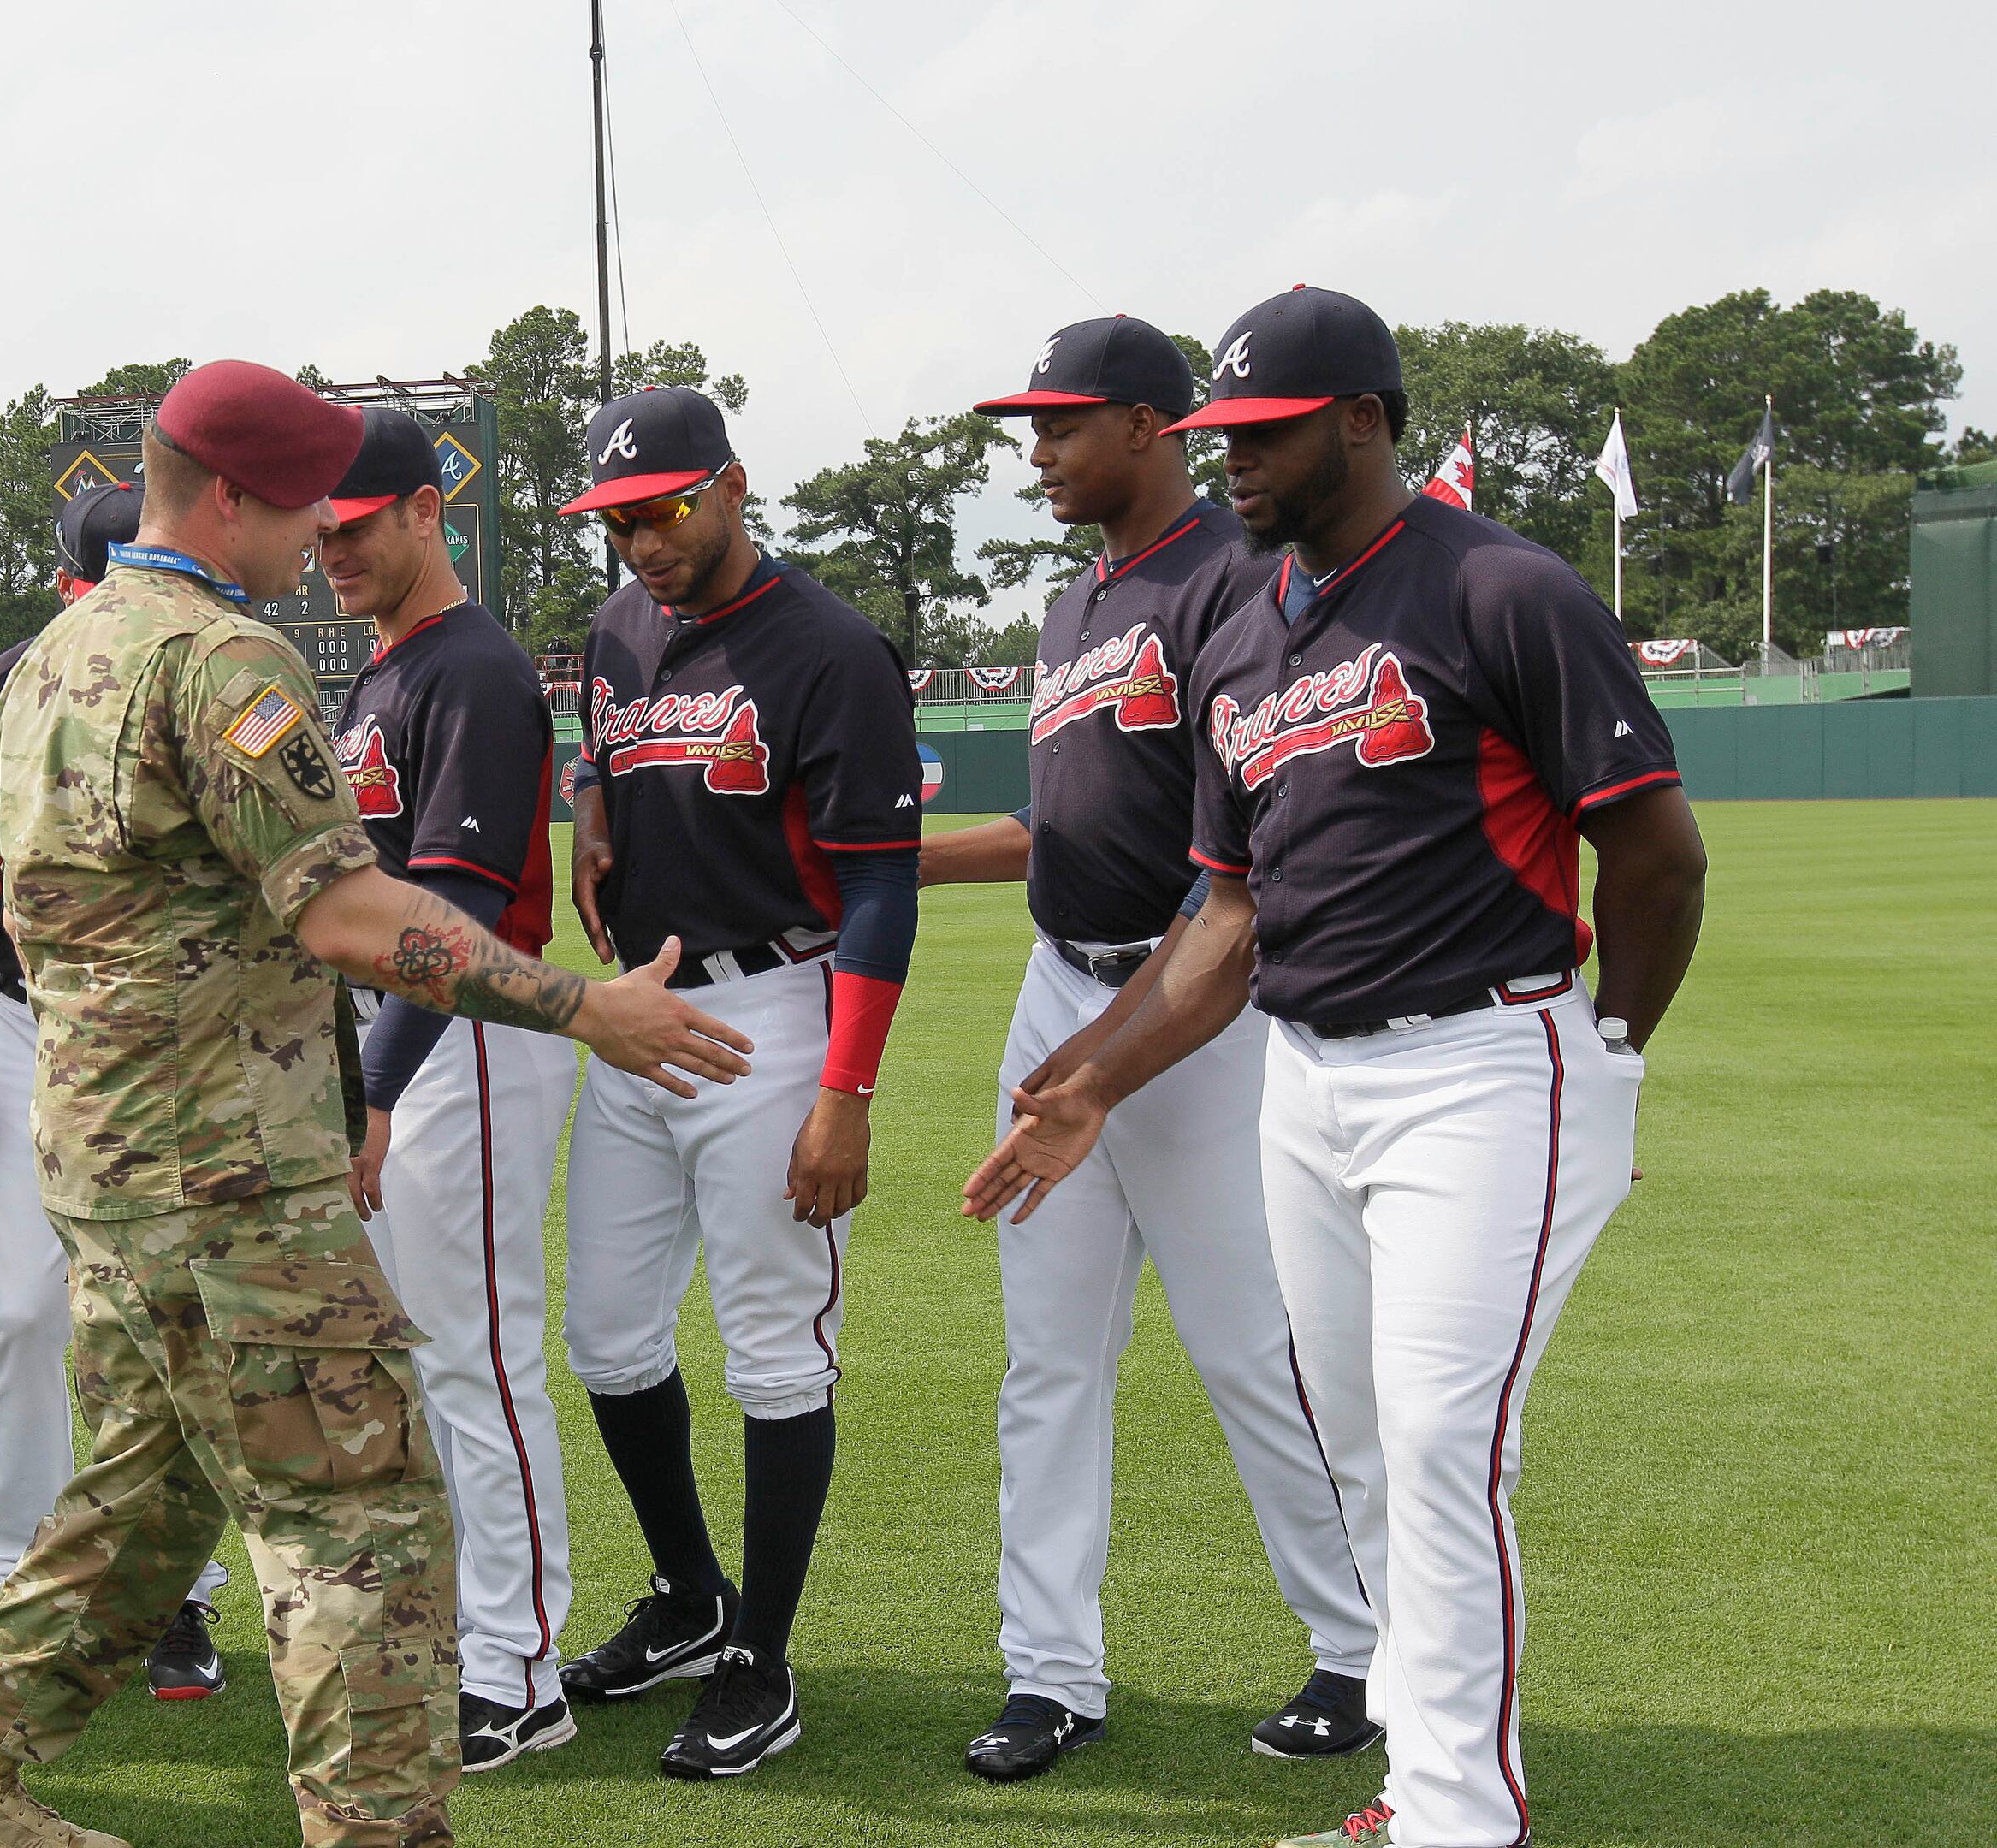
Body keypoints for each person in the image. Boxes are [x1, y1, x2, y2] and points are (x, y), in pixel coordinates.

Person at [0, 359, 752, 1848]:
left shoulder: (48, 660)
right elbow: (352, 917)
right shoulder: (224, 662)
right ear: (229, 497)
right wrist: (584, 1005)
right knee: (366, 1518)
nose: (315, 541)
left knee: (149, 1507)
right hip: (229, 1178)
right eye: (300, 508)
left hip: (103, 1165)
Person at [964, 287, 1707, 1848]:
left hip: (1485, 1057)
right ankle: (1416, 1784)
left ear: (1363, 421)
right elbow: (1229, 915)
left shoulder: (1499, 586)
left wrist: (1612, 1053)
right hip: (1303, 1072)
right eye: (1222, 431)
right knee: (1364, 1442)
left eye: (1266, 431)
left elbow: (1654, 851)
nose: (1233, 457)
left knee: (1440, 1443)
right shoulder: (1250, 619)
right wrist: (1093, 1079)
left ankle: (1460, 1818)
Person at [926, 317, 1378, 1782]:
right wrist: (909, 863)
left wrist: (1120, 1051)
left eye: (1061, 427)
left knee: (1258, 1348)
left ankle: (1359, 1653)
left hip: (1198, 1015)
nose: (1039, 453)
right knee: (1047, 1362)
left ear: (1147, 427)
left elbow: (1232, 862)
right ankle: (1051, 1674)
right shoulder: (1075, 605)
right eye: (1033, 429)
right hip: (1061, 987)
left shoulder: (1236, 586)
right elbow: (1071, 829)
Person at [551, 384, 924, 1781]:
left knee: (774, 1350)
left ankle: (761, 1663)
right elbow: (602, 744)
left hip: (775, 1007)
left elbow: (884, 887)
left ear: (731, 485)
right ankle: (692, 1596)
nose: (642, 540)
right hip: (641, 1018)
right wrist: (593, 808)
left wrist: (849, 1089)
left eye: (663, 509)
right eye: (617, 519)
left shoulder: (828, 648)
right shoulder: (617, 629)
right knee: (607, 1336)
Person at [0, 480, 237, 1702]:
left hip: (184, 1044)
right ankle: (13, 1584)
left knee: (177, 1317)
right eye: (105, 581)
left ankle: (177, 1597)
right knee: (32, 1314)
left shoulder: (213, 681)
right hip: (32, 1035)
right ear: (68, 585)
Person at [319, 409, 580, 1772]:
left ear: (428, 512)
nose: (332, 551)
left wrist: (375, 1087)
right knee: (417, 1366)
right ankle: (469, 1635)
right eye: (317, 531)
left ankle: (523, 1664)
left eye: (356, 526)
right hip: (407, 1042)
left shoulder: (470, 669)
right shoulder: (385, 671)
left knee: (479, 1359)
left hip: (466, 1035)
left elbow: (463, 907)